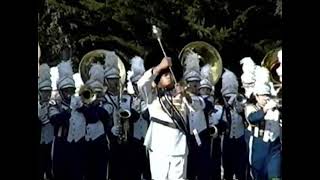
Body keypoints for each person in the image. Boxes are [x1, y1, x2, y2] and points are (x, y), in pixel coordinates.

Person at [137, 56, 203, 180]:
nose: (167, 75)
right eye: (163, 74)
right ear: (158, 79)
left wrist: (184, 95)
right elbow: (141, 84)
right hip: (158, 147)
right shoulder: (152, 96)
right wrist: (158, 68)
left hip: (179, 147)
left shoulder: (182, 94)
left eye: (169, 73)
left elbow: (199, 105)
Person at [49, 60, 85, 180]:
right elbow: (55, 119)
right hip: (62, 146)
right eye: (66, 90)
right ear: (60, 91)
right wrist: (69, 110)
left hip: (78, 146)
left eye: (71, 90)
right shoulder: (55, 104)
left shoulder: (79, 103)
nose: (69, 93)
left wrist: (85, 106)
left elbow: (92, 116)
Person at [75, 63, 110, 180]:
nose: (94, 95)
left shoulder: (106, 106)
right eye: (92, 92)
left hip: (100, 146)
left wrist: (86, 107)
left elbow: (94, 116)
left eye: (97, 93)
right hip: (85, 146)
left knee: (99, 174)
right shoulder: (86, 107)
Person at [245, 71, 282, 180]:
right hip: (258, 145)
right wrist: (265, 109)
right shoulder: (251, 107)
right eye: (263, 95)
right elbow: (252, 118)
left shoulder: (275, 107)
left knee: (275, 175)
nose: (266, 98)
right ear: (256, 96)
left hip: (274, 146)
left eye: (268, 95)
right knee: (259, 175)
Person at [182, 53, 211, 180]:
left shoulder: (204, 100)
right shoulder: (180, 99)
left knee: (203, 169)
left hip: (202, 137)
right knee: (189, 170)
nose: (195, 86)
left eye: (196, 83)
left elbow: (199, 105)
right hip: (187, 138)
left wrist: (187, 96)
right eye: (192, 83)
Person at [220, 69, 247, 180]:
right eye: (227, 97)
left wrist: (238, 104)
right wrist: (228, 104)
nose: (229, 98)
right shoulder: (220, 106)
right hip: (227, 141)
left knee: (240, 170)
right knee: (228, 170)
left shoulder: (240, 102)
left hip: (240, 140)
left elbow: (245, 115)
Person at [38, 63, 54, 180]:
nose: (46, 94)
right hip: (39, 143)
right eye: (44, 91)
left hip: (50, 142)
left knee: (50, 171)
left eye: (48, 91)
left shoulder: (54, 106)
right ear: (39, 92)